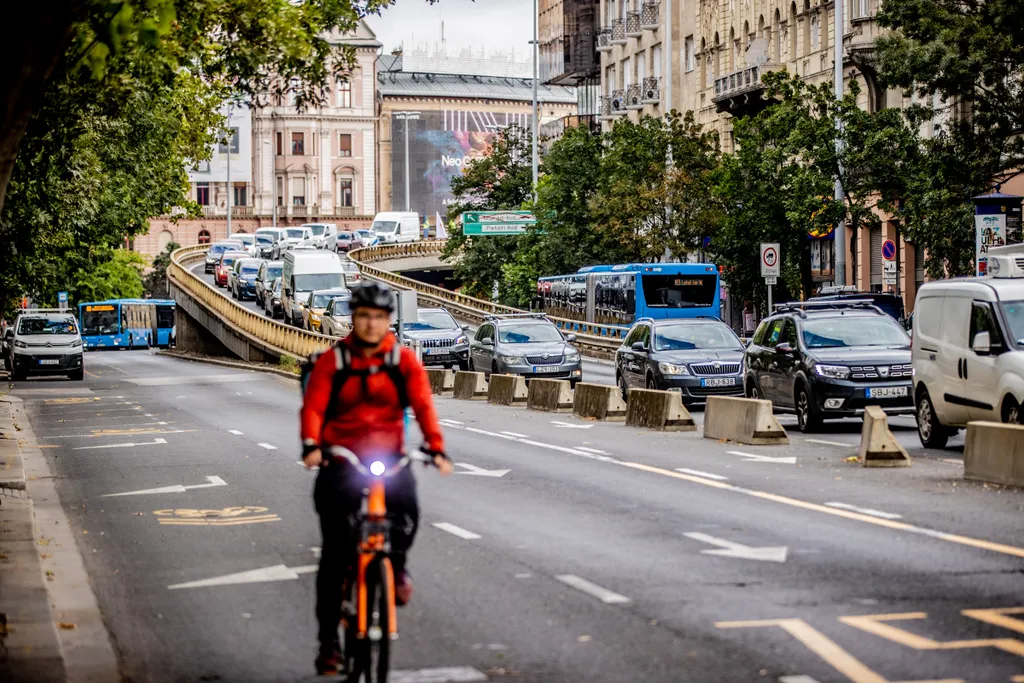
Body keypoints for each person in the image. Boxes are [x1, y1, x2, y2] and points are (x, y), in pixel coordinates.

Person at [300, 281, 452, 676]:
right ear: (355, 319)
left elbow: (423, 404)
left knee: (409, 513)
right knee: (335, 554)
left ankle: (396, 567)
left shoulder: (403, 362)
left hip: (389, 457)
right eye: (364, 316)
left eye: (379, 317)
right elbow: (314, 407)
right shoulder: (334, 362)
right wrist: (312, 445)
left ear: (389, 320)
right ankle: (328, 644)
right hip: (341, 459)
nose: (371, 324)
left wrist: (436, 447)